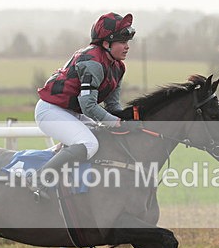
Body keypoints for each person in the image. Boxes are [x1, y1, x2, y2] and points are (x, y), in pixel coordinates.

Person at [28, 12, 137, 199]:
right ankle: (39, 179)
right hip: (50, 110)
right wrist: (117, 122)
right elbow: (88, 105)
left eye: (128, 42)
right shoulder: (93, 61)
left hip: (71, 111)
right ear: (105, 43)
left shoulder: (118, 66)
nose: (127, 47)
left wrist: (129, 120)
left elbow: (112, 105)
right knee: (89, 143)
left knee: (103, 135)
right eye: (122, 42)